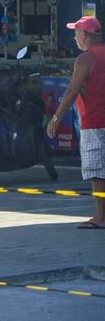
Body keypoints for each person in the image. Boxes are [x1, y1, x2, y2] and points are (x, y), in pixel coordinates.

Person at [47, 16, 105, 229]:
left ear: (85, 34)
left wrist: (55, 118)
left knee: (98, 171)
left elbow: (72, 90)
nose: (75, 38)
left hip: (94, 122)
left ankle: (101, 217)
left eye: (76, 33)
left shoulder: (86, 58)